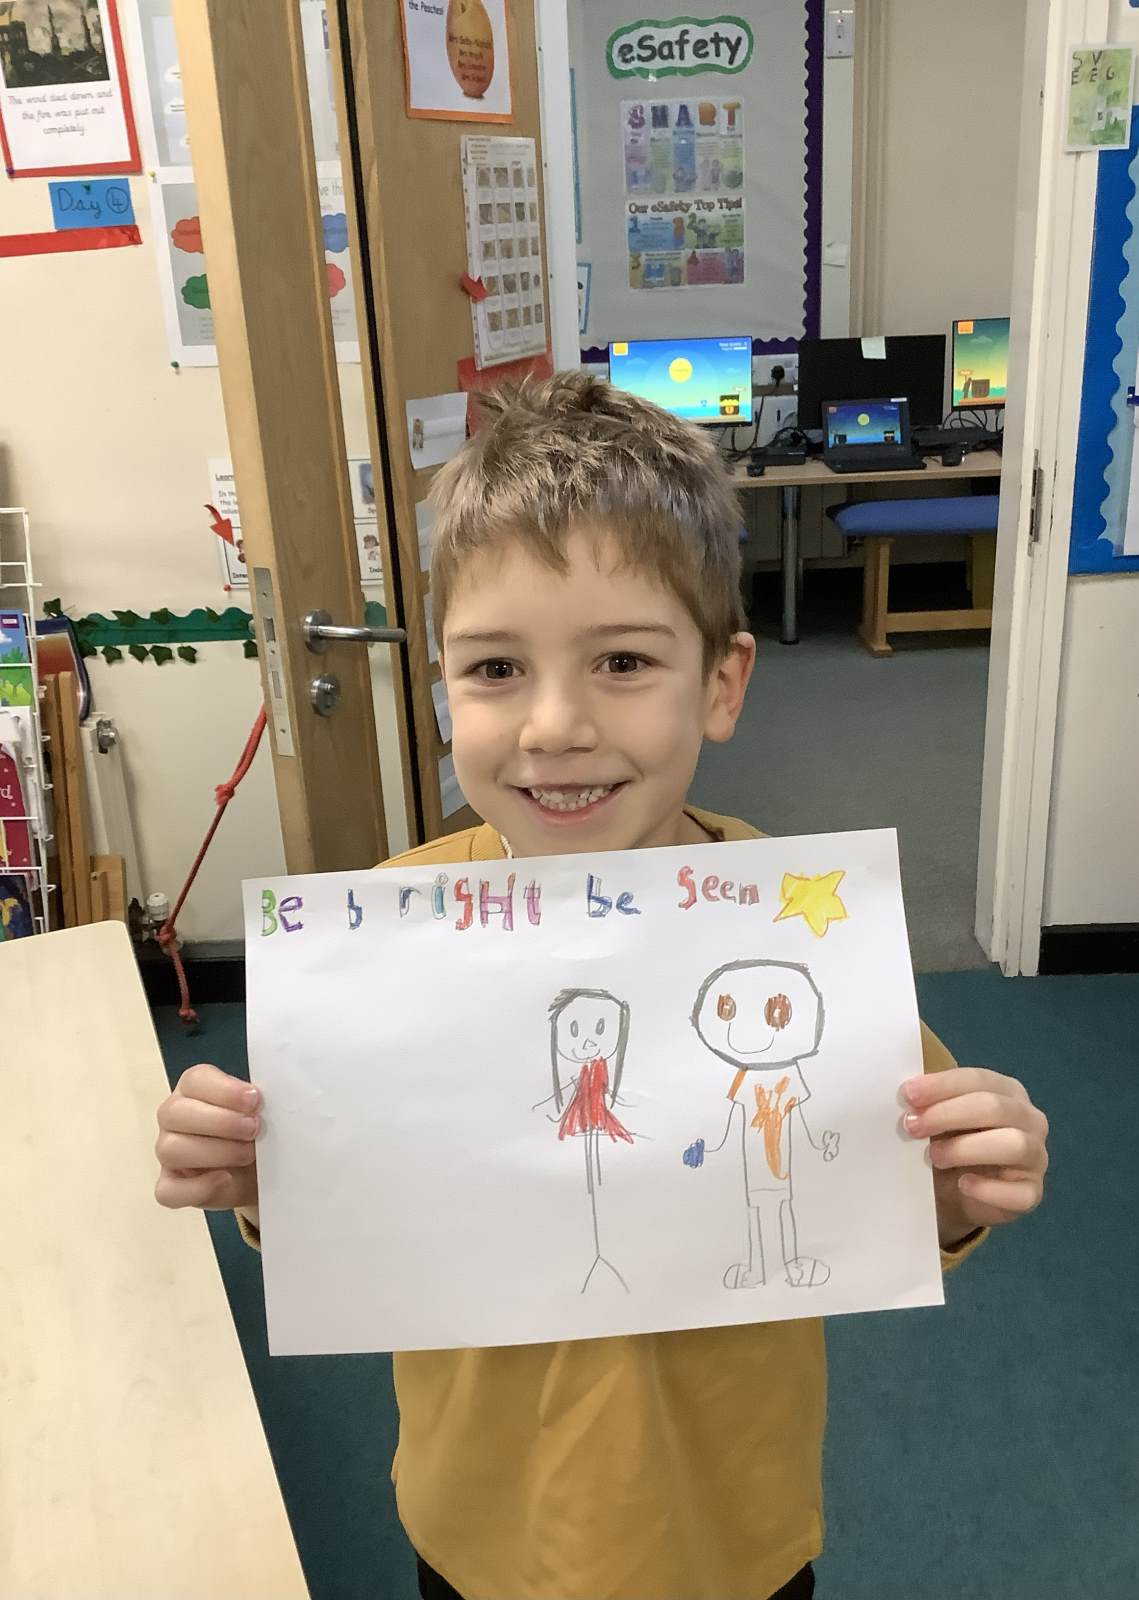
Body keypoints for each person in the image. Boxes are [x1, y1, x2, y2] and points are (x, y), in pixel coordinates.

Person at [154, 372, 1050, 1600]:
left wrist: (955, 1185)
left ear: (722, 683)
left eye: (622, 659)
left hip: (725, 1534)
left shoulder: (794, 930)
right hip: (484, 1529)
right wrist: (263, 1174)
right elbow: (357, 1195)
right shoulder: (395, 930)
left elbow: (899, 1185)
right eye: (495, 668)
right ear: (443, 688)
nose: (555, 725)